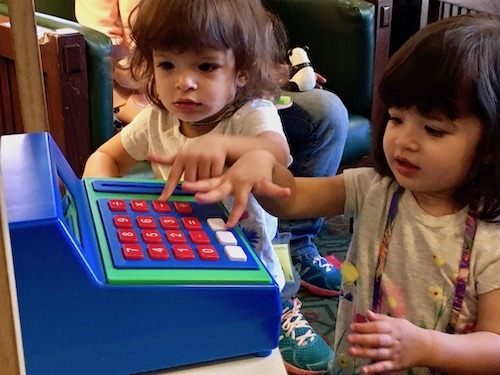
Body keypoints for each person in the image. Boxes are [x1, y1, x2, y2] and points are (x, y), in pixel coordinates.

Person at [180, 13, 500, 375]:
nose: (404, 141)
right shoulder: (375, 188)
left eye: (433, 129)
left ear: (490, 144)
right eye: (396, 119)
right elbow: (293, 197)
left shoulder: (490, 240)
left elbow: (494, 345)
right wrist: (258, 163)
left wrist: (428, 346)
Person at [77, 0, 349, 373]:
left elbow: (276, 150)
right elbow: (106, 157)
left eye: (206, 66)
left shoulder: (251, 113)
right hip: (184, 243)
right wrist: (98, 200)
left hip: (251, 250)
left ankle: (282, 308)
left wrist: (224, 146)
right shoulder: (157, 119)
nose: (183, 82)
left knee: (263, 298)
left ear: (240, 72)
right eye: (167, 65)